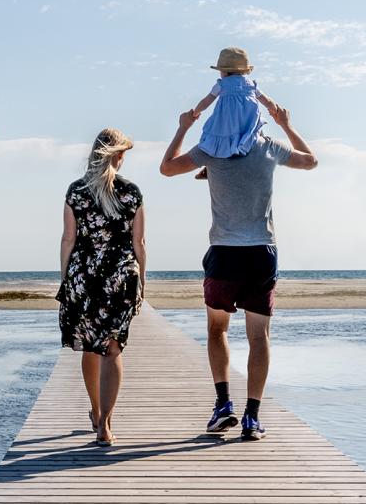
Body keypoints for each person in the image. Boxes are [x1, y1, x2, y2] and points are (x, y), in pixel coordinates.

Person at [159, 91, 317, 441]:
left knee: (217, 330)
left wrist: (184, 127)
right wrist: (286, 125)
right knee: (258, 336)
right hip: (261, 251)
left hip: (224, 252)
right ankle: (252, 417)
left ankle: (222, 406)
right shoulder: (268, 146)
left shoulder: (210, 149)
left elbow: (167, 168)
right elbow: (310, 161)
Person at [57, 128, 147, 446]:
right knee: (112, 348)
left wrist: (66, 279)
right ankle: (106, 425)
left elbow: (69, 239)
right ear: (118, 155)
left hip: (87, 277)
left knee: (91, 347)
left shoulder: (76, 192)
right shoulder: (131, 192)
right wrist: (143, 279)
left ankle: (96, 412)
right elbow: (139, 242)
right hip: (122, 278)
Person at [188, 46, 281, 180]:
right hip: (248, 124)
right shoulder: (251, 85)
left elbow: (207, 101)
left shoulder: (222, 84)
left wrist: (195, 112)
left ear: (224, 72)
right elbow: (266, 100)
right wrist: (274, 110)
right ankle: (257, 167)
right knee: (255, 140)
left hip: (227, 124)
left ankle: (209, 167)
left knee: (213, 143)